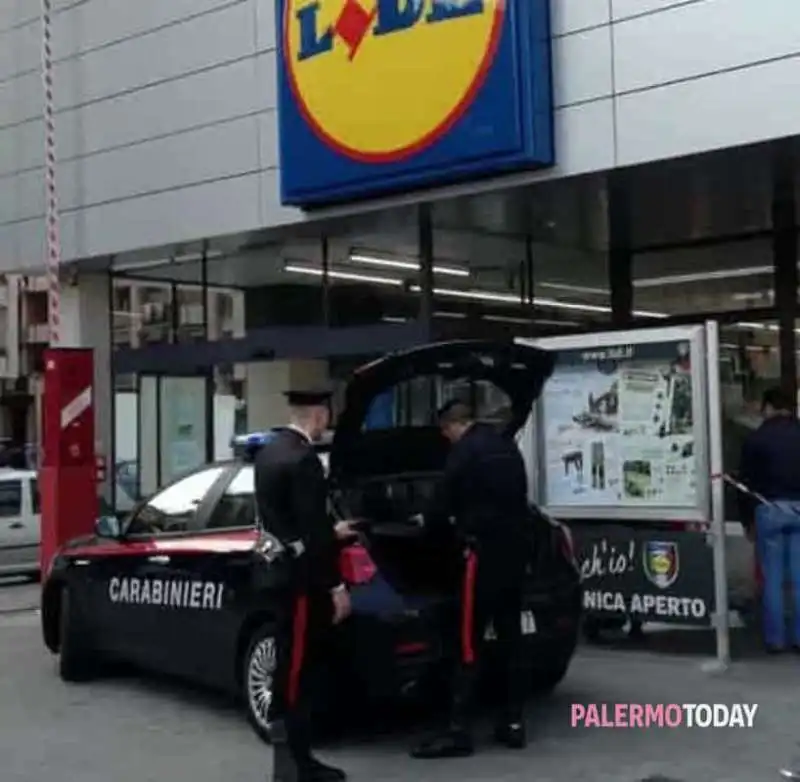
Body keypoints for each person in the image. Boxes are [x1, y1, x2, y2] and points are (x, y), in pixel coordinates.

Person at [410, 399, 531, 759]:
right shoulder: (507, 447)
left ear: (451, 426)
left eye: (445, 433)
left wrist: (425, 523)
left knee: (468, 642)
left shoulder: (464, 453)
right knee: (511, 639)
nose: (446, 439)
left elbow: (441, 505)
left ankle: (458, 731)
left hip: (480, 560)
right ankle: (513, 723)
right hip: (515, 556)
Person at [254, 388, 352, 782]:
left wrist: (327, 530)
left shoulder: (270, 450)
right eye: (326, 412)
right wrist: (335, 587)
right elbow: (311, 532)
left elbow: (284, 518)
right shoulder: (304, 460)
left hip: (274, 572)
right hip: (299, 580)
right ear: (318, 414)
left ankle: (291, 760)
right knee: (295, 669)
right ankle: (297, 764)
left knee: (286, 662)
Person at [739, 386, 800, 652]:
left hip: (769, 509)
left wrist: (746, 521)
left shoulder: (757, 439)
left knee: (772, 578)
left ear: (769, 407)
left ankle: (775, 639)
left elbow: (746, 483)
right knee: (799, 578)